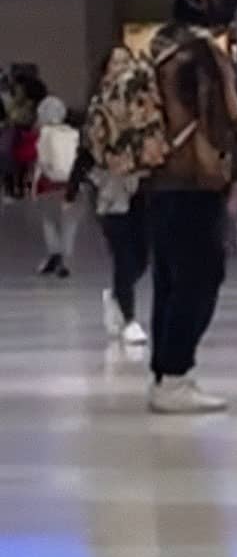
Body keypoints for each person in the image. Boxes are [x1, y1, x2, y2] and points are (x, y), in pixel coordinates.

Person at [147, 0, 237, 414]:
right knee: (201, 277)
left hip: (159, 180)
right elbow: (226, 118)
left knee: (169, 280)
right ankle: (176, 375)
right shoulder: (203, 54)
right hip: (195, 180)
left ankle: (164, 374)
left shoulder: (159, 44)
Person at [66, 46, 150, 345]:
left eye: (127, 62)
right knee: (124, 254)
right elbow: (86, 151)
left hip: (143, 186)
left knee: (142, 255)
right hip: (111, 190)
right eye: (116, 63)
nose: (123, 68)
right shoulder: (98, 108)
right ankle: (128, 318)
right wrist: (72, 189)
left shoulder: (146, 106)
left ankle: (116, 294)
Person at [32, 95, 82, 278]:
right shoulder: (74, 133)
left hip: (49, 184)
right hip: (72, 184)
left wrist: (34, 185)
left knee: (49, 222)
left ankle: (54, 254)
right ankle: (65, 258)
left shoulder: (45, 133)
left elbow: (42, 161)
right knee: (69, 224)